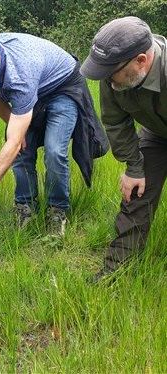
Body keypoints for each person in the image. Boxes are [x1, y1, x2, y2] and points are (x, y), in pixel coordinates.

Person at [0, 33, 108, 234]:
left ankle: (57, 211)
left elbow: (13, 140)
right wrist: (15, 129)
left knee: (54, 151)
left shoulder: (20, 74)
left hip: (62, 87)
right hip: (36, 85)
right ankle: (25, 207)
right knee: (21, 150)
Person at [80, 16, 167, 281]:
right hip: (157, 133)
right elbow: (116, 122)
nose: (105, 79)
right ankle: (116, 270)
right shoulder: (113, 78)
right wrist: (134, 166)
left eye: (111, 71)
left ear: (141, 60)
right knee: (137, 194)